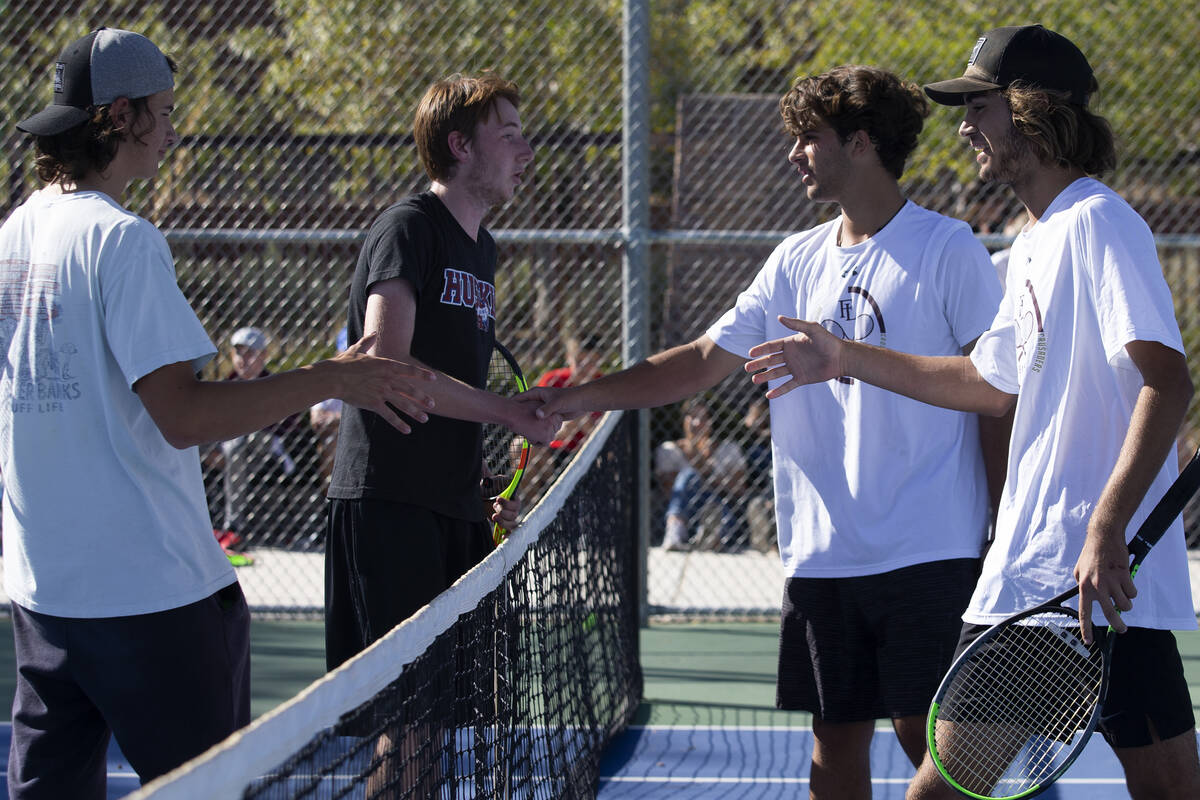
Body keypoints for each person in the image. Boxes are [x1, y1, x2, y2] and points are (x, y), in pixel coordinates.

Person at [742, 26, 1200, 800]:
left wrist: (1105, 528)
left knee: (944, 789)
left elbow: (1167, 380)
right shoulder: (1030, 243)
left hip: (1069, 576)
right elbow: (987, 384)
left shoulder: (1098, 221)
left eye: (978, 107)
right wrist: (846, 358)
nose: (963, 128)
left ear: (1030, 112)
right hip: (1062, 580)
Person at [524, 65, 1007, 798]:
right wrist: (578, 398)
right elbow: (697, 362)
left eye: (807, 138)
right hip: (822, 553)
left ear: (862, 143)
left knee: (928, 737)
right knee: (833, 737)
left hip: (931, 548)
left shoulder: (950, 251)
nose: (793, 153)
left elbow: (995, 394)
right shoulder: (793, 260)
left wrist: (1001, 523)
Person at [0, 27, 437, 797]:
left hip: (44, 597)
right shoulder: (123, 241)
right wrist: (334, 378)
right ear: (120, 115)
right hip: (153, 602)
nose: (173, 128)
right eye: (163, 111)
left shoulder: (14, 234)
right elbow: (185, 416)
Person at [324, 72, 559, 670]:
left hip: (453, 504)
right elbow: (388, 365)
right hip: (390, 504)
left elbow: (449, 374)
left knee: (448, 715)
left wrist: (466, 466)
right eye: (508, 135)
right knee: (406, 723)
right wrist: (507, 411)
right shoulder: (409, 229)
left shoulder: (484, 248)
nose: (526, 151)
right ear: (461, 146)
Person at [208, 327, 308, 549]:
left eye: (250, 353)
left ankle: (234, 523)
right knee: (196, 442)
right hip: (227, 447)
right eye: (239, 353)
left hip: (263, 446)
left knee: (239, 443)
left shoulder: (274, 383)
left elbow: (288, 424)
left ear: (263, 355)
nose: (244, 359)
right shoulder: (226, 385)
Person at [654, 396, 746, 551]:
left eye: (703, 417)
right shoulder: (670, 450)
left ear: (712, 422)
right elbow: (669, 491)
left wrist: (708, 471)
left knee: (715, 508)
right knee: (689, 475)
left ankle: (708, 533)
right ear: (684, 421)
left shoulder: (728, 449)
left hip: (719, 505)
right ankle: (677, 529)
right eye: (692, 417)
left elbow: (739, 490)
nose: (697, 423)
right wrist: (697, 466)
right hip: (683, 509)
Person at [519, 333, 606, 497]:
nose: (585, 367)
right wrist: (559, 431)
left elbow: (605, 437)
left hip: (588, 454)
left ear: (599, 361)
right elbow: (534, 422)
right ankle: (530, 507)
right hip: (554, 452)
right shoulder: (553, 381)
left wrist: (586, 426)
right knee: (520, 446)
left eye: (592, 362)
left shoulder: (605, 387)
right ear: (568, 358)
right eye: (579, 361)